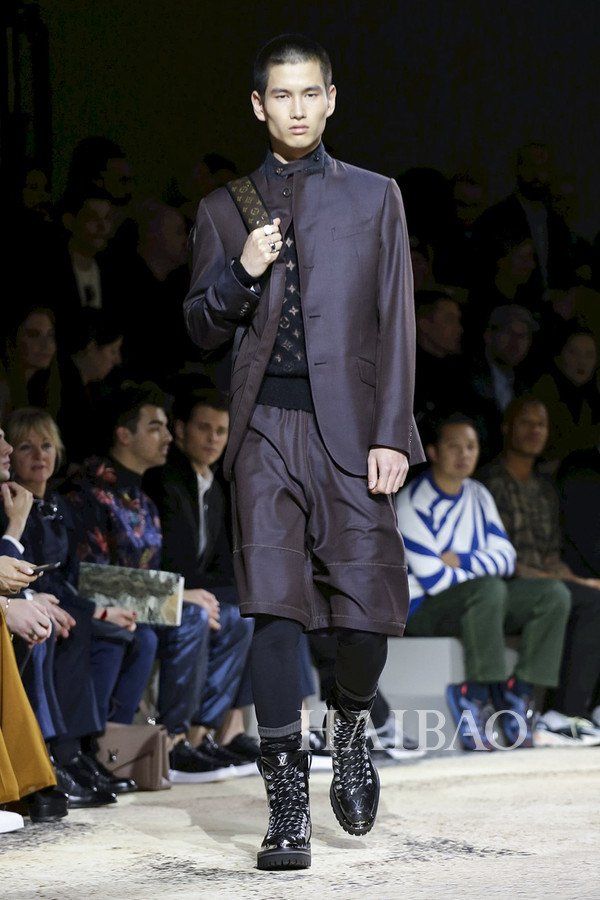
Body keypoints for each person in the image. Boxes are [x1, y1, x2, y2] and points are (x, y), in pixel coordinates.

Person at [184, 34, 423, 870]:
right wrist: (241, 272)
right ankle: (286, 805)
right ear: (259, 106)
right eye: (280, 95)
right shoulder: (225, 208)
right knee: (273, 611)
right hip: (262, 432)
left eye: (309, 93)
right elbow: (200, 326)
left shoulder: (375, 196)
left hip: (351, 430)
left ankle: (349, 720)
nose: (296, 108)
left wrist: (394, 432)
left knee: (367, 614)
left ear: (331, 100)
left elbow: (397, 321)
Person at [64, 382, 236, 782]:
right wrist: (176, 596)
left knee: (229, 617)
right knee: (186, 618)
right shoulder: (89, 493)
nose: (168, 437)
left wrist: (174, 598)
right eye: (155, 427)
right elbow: (90, 579)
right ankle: (168, 742)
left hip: (138, 611)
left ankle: (187, 738)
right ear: (124, 435)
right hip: (92, 609)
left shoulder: (140, 497)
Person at [395, 414, 571, 751]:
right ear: (433, 452)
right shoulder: (411, 502)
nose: (464, 455)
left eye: (471, 447)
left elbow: (506, 559)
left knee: (553, 594)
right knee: (489, 588)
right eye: (454, 446)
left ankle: (519, 692)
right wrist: (483, 570)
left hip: (481, 599)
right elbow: (435, 579)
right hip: (424, 609)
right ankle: (475, 694)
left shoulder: (478, 494)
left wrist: (463, 560)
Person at [4, 407, 135, 806]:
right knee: (66, 625)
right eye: (25, 447)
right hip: (29, 600)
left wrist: (97, 609)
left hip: (57, 599)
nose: (38, 456)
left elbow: (71, 575)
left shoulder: (60, 505)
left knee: (122, 632)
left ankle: (81, 750)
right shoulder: (9, 503)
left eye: (46, 446)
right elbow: (22, 573)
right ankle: (58, 753)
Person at [143, 389, 256, 771]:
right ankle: (174, 738)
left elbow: (217, 563)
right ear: (181, 429)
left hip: (190, 588)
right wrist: (187, 594)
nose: (212, 439)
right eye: (204, 428)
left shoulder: (215, 485)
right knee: (200, 614)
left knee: (251, 611)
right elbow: (168, 560)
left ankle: (201, 732)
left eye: (221, 431)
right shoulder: (163, 479)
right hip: (155, 591)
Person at [479, 396, 600, 742]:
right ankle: (563, 712)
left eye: (541, 424)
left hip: (546, 585)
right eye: (526, 422)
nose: (534, 431)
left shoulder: (545, 489)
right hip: (502, 588)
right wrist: (560, 581)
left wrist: (582, 581)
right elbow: (503, 559)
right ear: (507, 427)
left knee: (589, 595)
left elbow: (550, 557)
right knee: (580, 600)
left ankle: (587, 708)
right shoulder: (489, 481)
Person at [465, 305, 537, 461]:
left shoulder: (525, 387)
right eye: (509, 332)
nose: (515, 342)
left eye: (522, 336)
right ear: (489, 336)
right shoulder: (466, 379)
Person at [57, 309, 123, 464]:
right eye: (113, 351)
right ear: (91, 347)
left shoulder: (94, 391)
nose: (117, 360)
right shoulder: (62, 391)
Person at [532, 327, 600, 469]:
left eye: (589, 355)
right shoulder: (544, 391)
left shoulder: (589, 398)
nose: (582, 362)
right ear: (559, 355)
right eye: (573, 353)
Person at [0, 307, 61, 419]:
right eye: (34, 335)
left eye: (50, 335)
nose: (46, 345)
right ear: (15, 339)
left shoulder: (43, 389)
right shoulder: (4, 390)